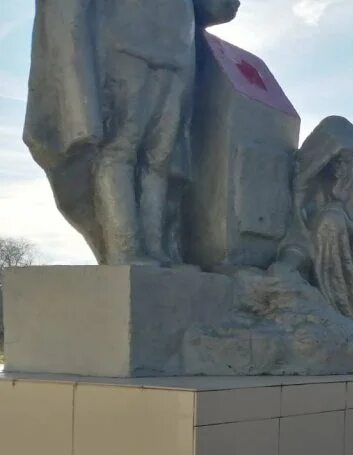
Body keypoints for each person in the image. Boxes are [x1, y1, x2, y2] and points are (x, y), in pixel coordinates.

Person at [24, 0, 240, 265]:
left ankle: (154, 247)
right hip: (126, 47)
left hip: (178, 54)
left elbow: (214, 9)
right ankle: (124, 248)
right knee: (119, 151)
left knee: (161, 159)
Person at [275, 116, 353, 331]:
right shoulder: (307, 177)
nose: (344, 167)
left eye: (350, 159)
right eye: (338, 160)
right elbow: (297, 233)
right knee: (328, 221)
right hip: (310, 253)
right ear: (325, 155)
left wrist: (349, 226)